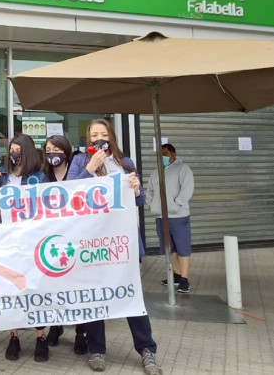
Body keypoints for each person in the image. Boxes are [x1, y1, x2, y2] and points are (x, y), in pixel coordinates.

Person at [67, 119, 162, 375]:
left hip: (122, 242)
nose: (99, 138)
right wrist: (90, 168)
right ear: (88, 139)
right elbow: (69, 193)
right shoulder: (79, 161)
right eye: (94, 135)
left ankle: (147, 349)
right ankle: (96, 349)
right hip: (93, 241)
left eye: (103, 134)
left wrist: (136, 188)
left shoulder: (125, 163)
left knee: (130, 292)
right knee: (96, 295)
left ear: (111, 137)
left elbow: (139, 199)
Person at [0, 134, 50, 362]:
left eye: (18, 150)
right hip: (7, 241)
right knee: (9, 289)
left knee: (35, 289)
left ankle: (41, 336)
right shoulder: (3, 177)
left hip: (31, 242)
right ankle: (13, 336)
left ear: (28, 153)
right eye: (11, 150)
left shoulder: (39, 177)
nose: (14, 154)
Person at [41, 135, 87, 354]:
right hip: (53, 240)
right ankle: (56, 325)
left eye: (57, 150)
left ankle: (81, 331)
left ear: (66, 152)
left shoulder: (77, 172)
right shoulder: (43, 177)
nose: (52, 154)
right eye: (48, 150)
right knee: (55, 287)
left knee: (78, 287)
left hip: (76, 239)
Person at [146, 143, 195, 293]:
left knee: (182, 248)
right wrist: (152, 205)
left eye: (166, 154)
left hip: (178, 216)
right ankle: (177, 274)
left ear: (173, 154)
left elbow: (187, 189)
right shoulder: (155, 173)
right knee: (170, 248)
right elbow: (149, 191)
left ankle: (185, 279)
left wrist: (175, 205)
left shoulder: (183, 169)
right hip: (161, 216)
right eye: (160, 154)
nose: (163, 157)